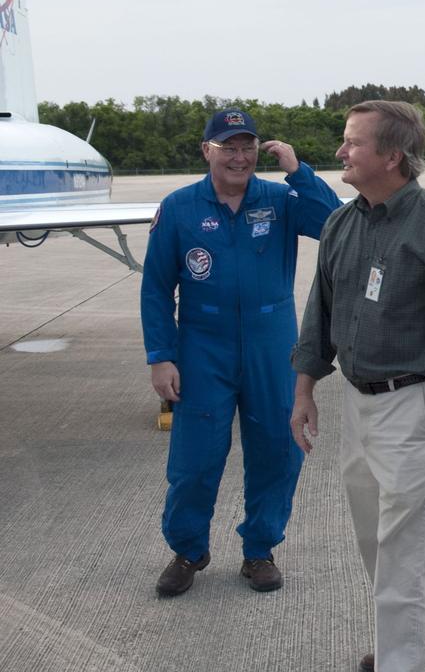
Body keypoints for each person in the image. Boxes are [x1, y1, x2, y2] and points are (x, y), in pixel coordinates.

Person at [290, 100, 425, 672]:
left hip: (413, 404)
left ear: (392, 157)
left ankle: (401, 662)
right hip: (357, 407)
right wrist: (304, 390)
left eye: (352, 143)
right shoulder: (341, 222)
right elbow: (319, 314)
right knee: (377, 542)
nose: (341, 152)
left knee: (401, 554)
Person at [140, 108, 341, 597]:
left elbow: (335, 223)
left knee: (277, 449)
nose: (239, 156)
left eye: (247, 146)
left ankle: (260, 550)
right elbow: (156, 287)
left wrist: (300, 172)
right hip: (202, 344)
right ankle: (189, 549)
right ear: (207, 150)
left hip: (271, 343)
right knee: (194, 458)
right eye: (228, 146)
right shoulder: (180, 207)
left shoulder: (280, 199)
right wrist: (161, 355)